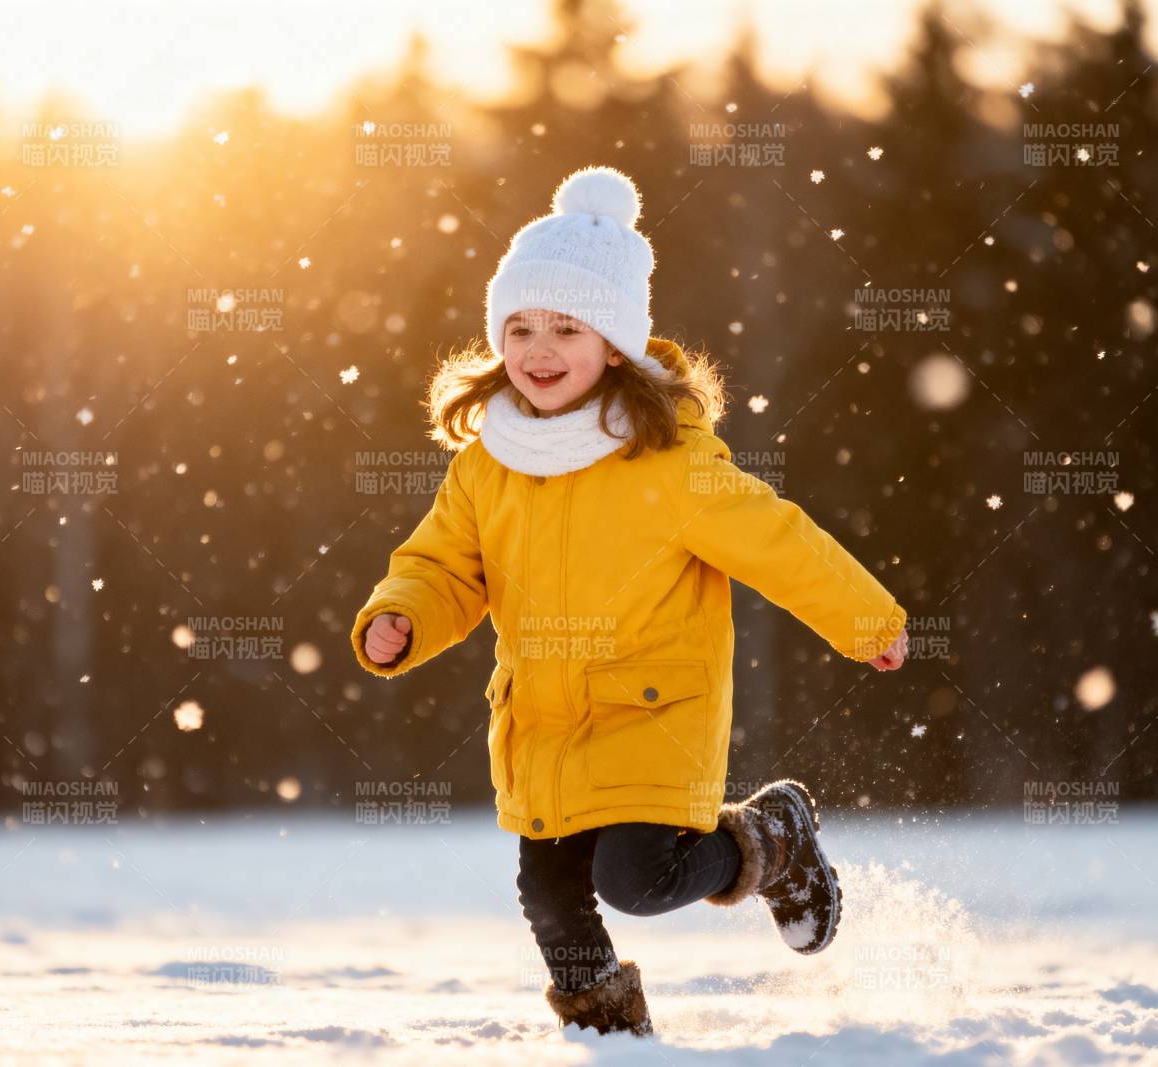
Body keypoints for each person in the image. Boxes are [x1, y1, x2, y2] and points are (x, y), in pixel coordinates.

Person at [352, 164, 908, 1038]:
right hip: (543, 722)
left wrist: (866, 618)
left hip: (655, 710)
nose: (538, 348)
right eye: (521, 326)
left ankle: (774, 837)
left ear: (613, 342)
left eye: (566, 327)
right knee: (548, 896)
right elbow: (446, 565)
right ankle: (611, 1034)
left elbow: (777, 539)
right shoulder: (486, 462)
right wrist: (405, 615)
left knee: (635, 879)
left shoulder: (665, 459)